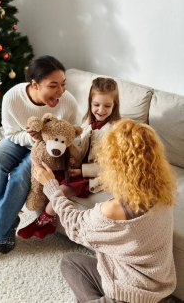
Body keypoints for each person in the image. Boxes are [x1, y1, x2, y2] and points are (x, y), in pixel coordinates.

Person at [33, 118, 177, 303]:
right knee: (72, 262)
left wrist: (51, 186)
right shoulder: (164, 193)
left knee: (69, 264)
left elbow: (75, 226)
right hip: (158, 285)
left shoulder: (112, 211)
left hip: (131, 295)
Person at [0, 55, 78, 270]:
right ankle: (6, 225)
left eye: (63, 84)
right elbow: (12, 134)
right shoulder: (13, 98)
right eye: (53, 85)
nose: (60, 91)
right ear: (34, 84)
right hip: (21, 140)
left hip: (47, 150)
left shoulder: (67, 102)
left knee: (22, 177)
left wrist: (45, 141)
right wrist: (31, 137)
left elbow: (69, 135)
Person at [17, 77, 121, 240]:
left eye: (107, 106)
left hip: (97, 176)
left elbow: (110, 167)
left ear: (115, 106)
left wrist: (81, 170)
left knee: (61, 190)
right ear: (90, 103)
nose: (101, 110)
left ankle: (45, 221)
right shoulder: (87, 123)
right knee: (50, 176)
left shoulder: (114, 131)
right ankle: (44, 216)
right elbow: (81, 147)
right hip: (79, 168)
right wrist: (73, 157)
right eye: (96, 105)